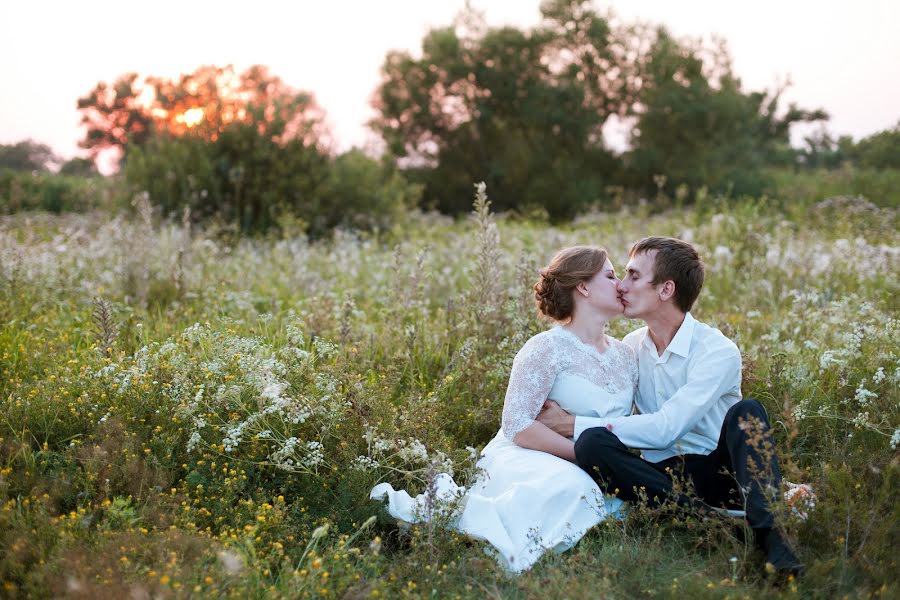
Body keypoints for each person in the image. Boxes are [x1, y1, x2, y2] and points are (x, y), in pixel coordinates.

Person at [537, 236, 804, 577]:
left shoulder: (716, 351)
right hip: (658, 478)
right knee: (592, 444)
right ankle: (713, 523)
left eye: (633, 275)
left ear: (665, 290)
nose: (621, 285)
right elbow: (612, 410)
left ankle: (773, 539)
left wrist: (572, 423)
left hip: (720, 473)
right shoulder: (630, 348)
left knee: (747, 412)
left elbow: (667, 429)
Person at [371, 246, 635, 572]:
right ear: (583, 287)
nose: (621, 284)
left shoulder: (626, 355)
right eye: (611, 276)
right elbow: (518, 425)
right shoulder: (545, 348)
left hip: (596, 456)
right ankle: (483, 546)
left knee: (616, 496)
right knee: (571, 489)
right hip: (529, 453)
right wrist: (584, 456)